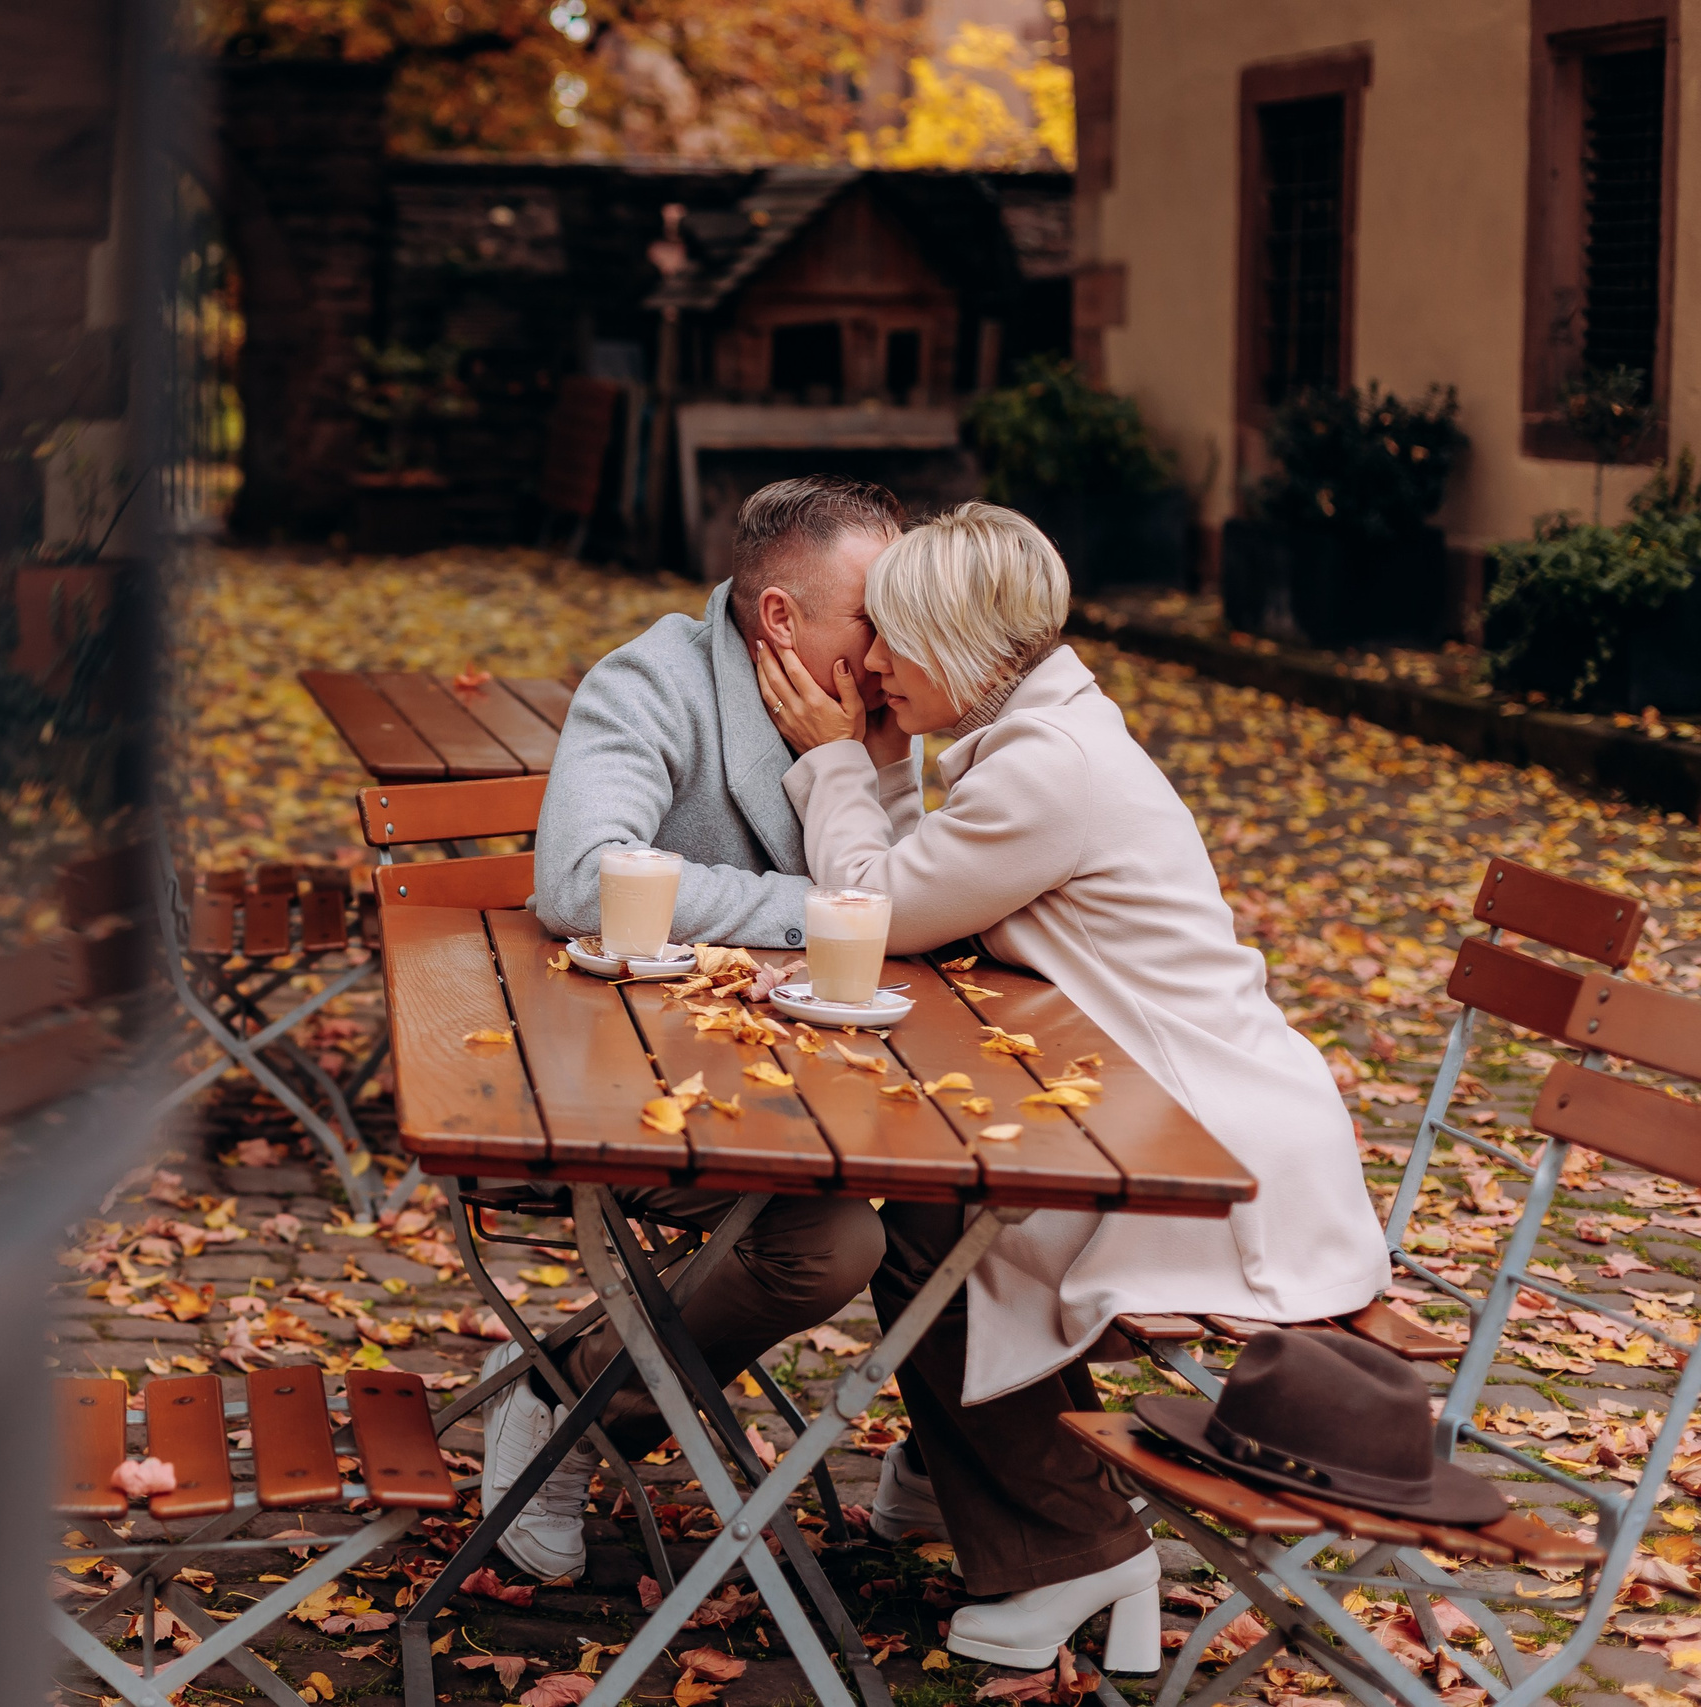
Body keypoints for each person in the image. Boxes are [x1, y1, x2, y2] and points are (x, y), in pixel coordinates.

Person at [755, 501, 1388, 1671]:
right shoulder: (1043, 738)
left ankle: (1074, 1547)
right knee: (942, 1218)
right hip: (1156, 1107)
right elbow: (924, 881)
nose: (874, 663)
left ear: (956, 643)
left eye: (892, 638)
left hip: (1213, 1152)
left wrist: (837, 762)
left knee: (938, 1236)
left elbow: (874, 916)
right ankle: (977, 1493)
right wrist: (885, 769)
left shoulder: (1050, 767)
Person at [483, 478, 903, 1583]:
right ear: (779, 617)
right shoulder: (654, 680)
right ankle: (570, 1402)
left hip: (826, 1076)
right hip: (627, 1081)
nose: (898, 635)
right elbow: (577, 881)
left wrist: (860, 766)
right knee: (833, 1242)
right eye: (874, 611)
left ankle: (973, 1481)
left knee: (981, 1207)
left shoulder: (889, 698)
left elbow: (919, 891)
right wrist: (819, 917)